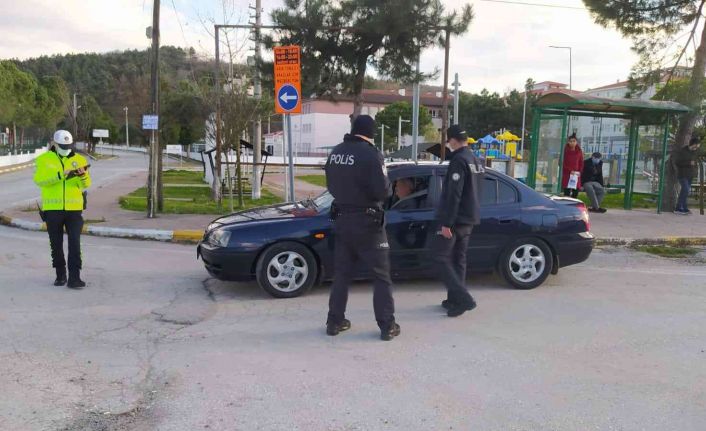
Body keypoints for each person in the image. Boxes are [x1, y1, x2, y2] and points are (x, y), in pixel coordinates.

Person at [324, 115, 400, 341]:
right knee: (381, 276)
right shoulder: (371, 154)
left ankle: (334, 322)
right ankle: (387, 326)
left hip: (342, 220)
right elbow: (382, 191)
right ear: (371, 132)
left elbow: (329, 183)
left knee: (342, 275)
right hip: (368, 223)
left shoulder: (336, 151)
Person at [432, 125, 483, 318]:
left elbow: (454, 194)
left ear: (452, 140)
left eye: (448, 140)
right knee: (458, 259)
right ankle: (455, 300)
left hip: (456, 219)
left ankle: (463, 298)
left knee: (440, 257)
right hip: (470, 217)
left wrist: (446, 222)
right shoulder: (475, 160)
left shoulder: (458, 160)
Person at [33, 130, 91, 289]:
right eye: (62, 145)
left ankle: (75, 278)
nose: (66, 148)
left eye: (68, 145)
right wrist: (61, 175)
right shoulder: (44, 159)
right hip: (53, 210)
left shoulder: (79, 159)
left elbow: (86, 185)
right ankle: (60, 275)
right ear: (55, 144)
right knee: (56, 244)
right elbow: (39, 180)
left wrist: (82, 176)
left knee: (75, 243)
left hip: (74, 210)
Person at [673, 136, 700, 215]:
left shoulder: (695, 152)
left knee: (685, 191)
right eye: (696, 146)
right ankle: (678, 208)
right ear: (692, 144)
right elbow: (677, 162)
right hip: (682, 174)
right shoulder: (683, 151)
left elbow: (694, 163)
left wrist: (695, 171)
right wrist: (688, 163)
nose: (696, 148)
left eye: (697, 147)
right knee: (685, 189)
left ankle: (684, 207)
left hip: (690, 174)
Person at [562, 133, 583, 198]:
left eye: (574, 141)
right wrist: (570, 171)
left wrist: (579, 171)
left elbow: (581, 162)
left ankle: (573, 206)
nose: (572, 143)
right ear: (568, 142)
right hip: (567, 174)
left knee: (575, 192)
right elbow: (562, 163)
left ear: (576, 142)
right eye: (570, 141)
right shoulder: (565, 151)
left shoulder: (579, 151)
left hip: (576, 175)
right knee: (567, 192)